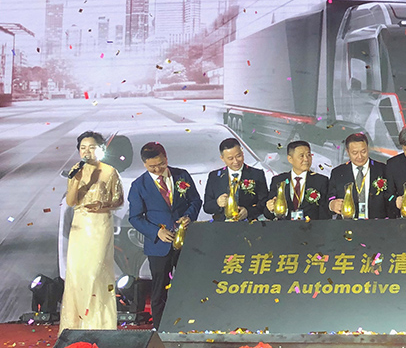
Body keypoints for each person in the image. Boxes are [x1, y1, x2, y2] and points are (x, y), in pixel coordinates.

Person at [127, 142, 202, 329]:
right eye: (152, 167)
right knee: (159, 288)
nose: (158, 169)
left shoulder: (181, 175)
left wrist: (189, 216)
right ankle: (161, 328)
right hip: (158, 246)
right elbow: (135, 217)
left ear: (166, 158)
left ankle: (191, 324)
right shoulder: (139, 185)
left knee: (189, 283)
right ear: (144, 164)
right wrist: (157, 232)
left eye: (161, 164)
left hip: (185, 240)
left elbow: (195, 200)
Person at [61, 131, 124, 332]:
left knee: (96, 272)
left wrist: (103, 205)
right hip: (80, 226)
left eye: (91, 147)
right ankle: (76, 324)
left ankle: (100, 324)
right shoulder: (75, 170)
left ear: (101, 149)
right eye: (83, 148)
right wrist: (76, 179)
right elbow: (71, 201)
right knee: (78, 273)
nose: (87, 151)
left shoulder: (110, 171)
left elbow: (119, 200)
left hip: (100, 224)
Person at [203, 138, 268, 222]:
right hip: (222, 225)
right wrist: (217, 203)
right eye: (230, 158)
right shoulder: (214, 177)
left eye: (238, 156)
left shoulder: (257, 174)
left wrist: (248, 212)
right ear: (222, 158)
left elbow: (264, 203)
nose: (236, 161)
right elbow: (207, 207)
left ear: (242, 153)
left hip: (248, 224)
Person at [264, 141, 331, 221]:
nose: (306, 159)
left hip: (311, 227)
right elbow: (268, 214)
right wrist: (270, 208)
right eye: (301, 156)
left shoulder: (321, 181)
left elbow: (325, 213)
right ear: (290, 159)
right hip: (284, 227)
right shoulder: (278, 180)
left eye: (309, 155)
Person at [328, 133, 390, 219]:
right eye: (355, 153)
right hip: (348, 223)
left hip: (377, 223)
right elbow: (330, 197)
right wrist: (332, 204)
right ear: (347, 152)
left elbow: (390, 197)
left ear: (368, 148)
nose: (360, 156)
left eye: (363, 152)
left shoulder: (382, 169)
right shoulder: (338, 172)